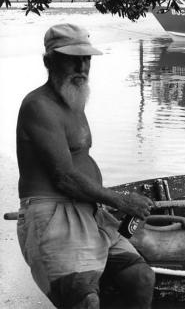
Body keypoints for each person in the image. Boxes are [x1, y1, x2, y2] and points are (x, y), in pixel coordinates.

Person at [15, 23, 155, 309]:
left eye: (86, 58)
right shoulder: (38, 105)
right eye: (72, 58)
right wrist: (121, 201)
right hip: (52, 215)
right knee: (84, 301)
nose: (82, 66)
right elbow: (64, 177)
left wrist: (106, 202)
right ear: (48, 61)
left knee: (141, 277)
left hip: (91, 212)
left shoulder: (74, 103)